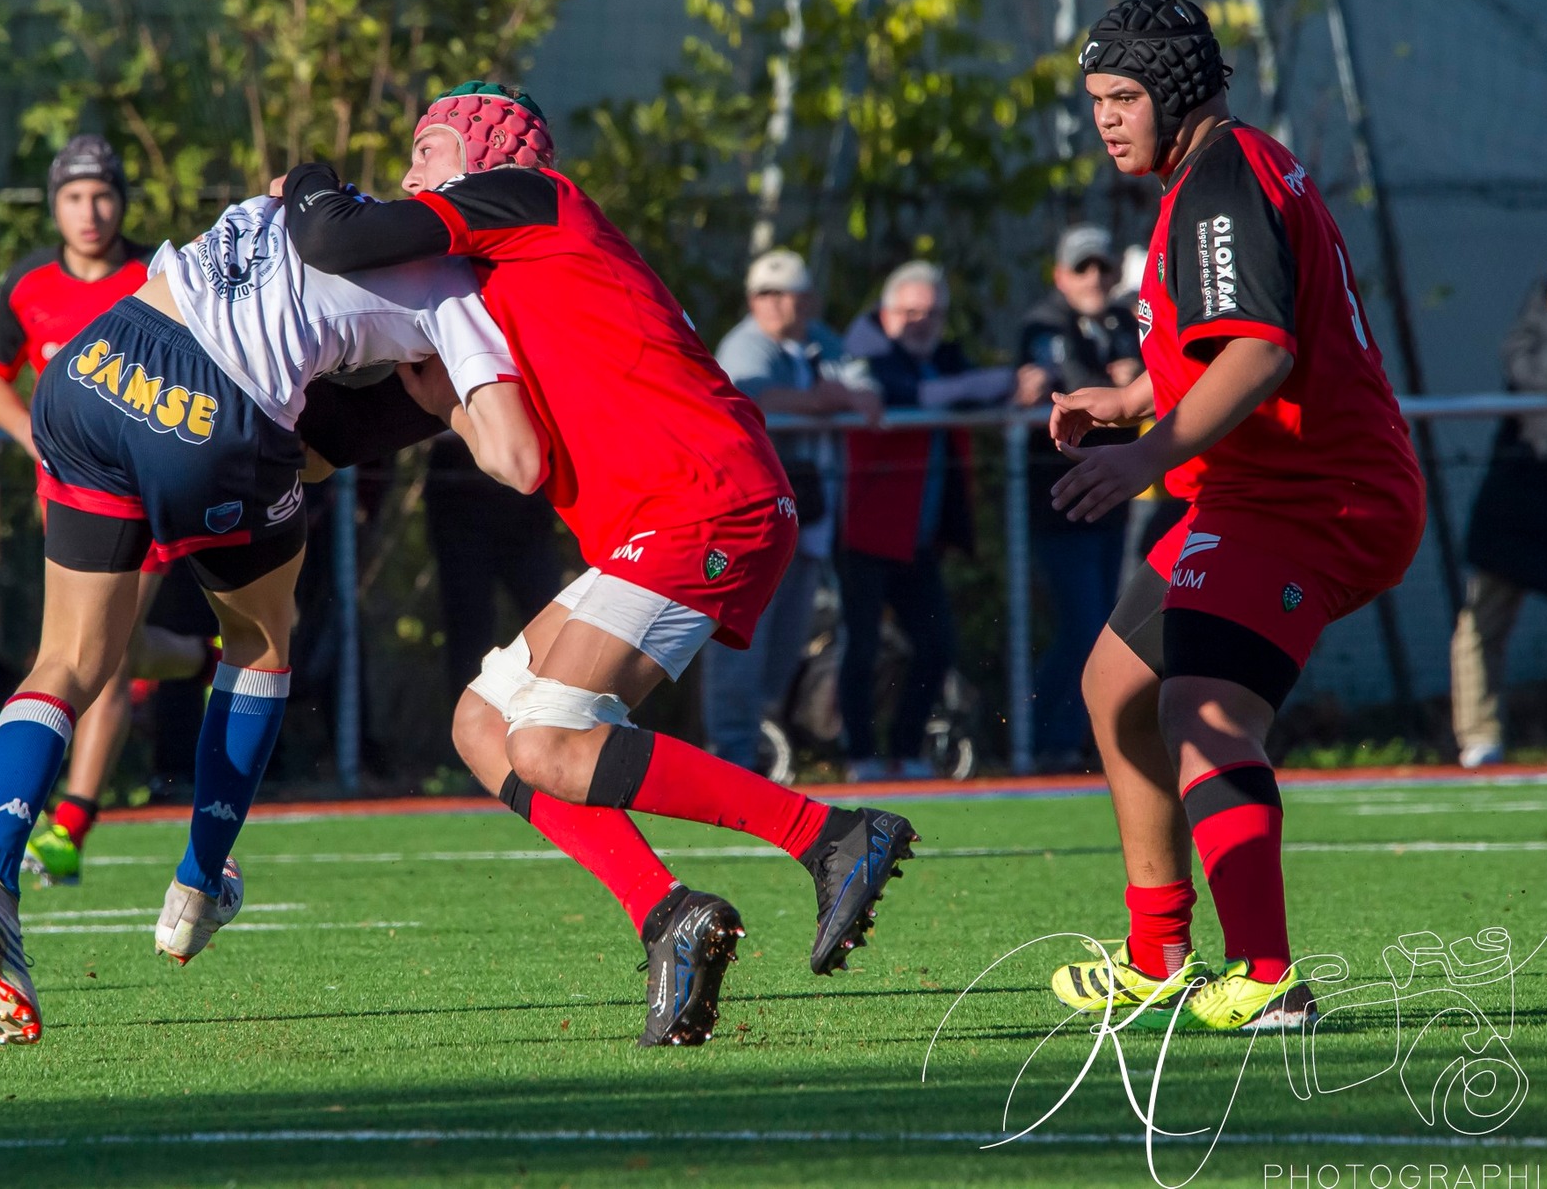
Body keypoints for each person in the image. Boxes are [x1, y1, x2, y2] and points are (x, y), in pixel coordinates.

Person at [281, 82, 917, 1048]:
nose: (411, 175)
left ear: (489, 151)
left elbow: (334, 238)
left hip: (705, 495)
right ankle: (671, 915)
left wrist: (309, 184)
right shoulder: (491, 283)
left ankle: (827, 834)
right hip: (657, 516)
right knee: (486, 722)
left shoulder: (532, 198)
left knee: (550, 740)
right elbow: (513, 454)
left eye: (427, 149)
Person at [0, 191, 540, 1045]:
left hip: (93, 363)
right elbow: (510, 456)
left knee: (68, 659)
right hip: (207, 411)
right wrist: (469, 412)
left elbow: (308, 389)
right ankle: (196, 883)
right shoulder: (465, 288)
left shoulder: (310, 201)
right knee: (260, 642)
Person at [1048, 0, 1424, 1031]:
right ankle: (1158, 955)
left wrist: (1145, 454)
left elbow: (1257, 353)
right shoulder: (1210, 174)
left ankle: (1263, 976)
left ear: (1174, 93)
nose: (1106, 119)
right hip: (1260, 493)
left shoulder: (1218, 182)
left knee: (1200, 709)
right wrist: (1126, 398)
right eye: (1094, 100)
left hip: (1313, 498)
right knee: (1116, 687)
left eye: (1122, 95)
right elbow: (1212, 345)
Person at [0, 134, 206, 887]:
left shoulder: (156, 275)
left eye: (102, 194)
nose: (90, 210)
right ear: (55, 205)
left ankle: (71, 821)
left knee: (96, 656)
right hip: (64, 496)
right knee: (106, 651)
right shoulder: (28, 284)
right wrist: (35, 436)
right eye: (74, 197)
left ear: (121, 200)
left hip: (147, 494)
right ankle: (212, 658)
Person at [705, 249, 877, 771]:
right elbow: (746, 395)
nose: (778, 305)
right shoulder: (745, 344)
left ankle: (760, 749)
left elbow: (869, 397)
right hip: (748, 521)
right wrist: (827, 400)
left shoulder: (821, 339)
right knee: (739, 639)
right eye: (766, 294)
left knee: (786, 645)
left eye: (789, 293)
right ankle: (730, 754)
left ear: (810, 300)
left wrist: (833, 397)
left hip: (805, 520)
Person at [839, 262, 1010, 780]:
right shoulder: (863, 355)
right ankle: (860, 757)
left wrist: (1011, 383)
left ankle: (905, 752)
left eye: (932, 313)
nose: (922, 322)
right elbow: (907, 394)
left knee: (937, 645)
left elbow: (990, 384)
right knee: (861, 646)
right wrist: (977, 385)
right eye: (911, 312)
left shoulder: (938, 356)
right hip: (865, 534)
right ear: (887, 312)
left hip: (918, 540)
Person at [1016, 223, 1145, 771]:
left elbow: (1151, 373)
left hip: (1109, 497)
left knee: (1108, 621)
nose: (1094, 278)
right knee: (1083, 623)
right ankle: (1049, 739)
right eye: (1082, 268)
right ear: (1060, 276)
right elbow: (1068, 391)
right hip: (1062, 500)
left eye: (1102, 267)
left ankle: (1078, 738)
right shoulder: (1044, 323)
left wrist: (1128, 382)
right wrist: (1121, 383)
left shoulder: (1121, 318)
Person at [1450, 250, 1547, 766]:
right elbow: (1546, 377)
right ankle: (1479, 739)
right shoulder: (1539, 310)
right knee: (1481, 620)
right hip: (1518, 492)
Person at [425, 432, 563, 709]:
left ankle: (557, 724)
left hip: (525, 491)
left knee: (554, 621)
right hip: (456, 490)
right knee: (469, 632)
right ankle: (473, 736)